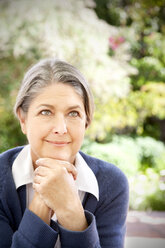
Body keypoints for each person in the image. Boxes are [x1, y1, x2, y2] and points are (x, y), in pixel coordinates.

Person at [0, 58, 129, 248]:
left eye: (73, 113)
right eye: (45, 112)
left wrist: (71, 210)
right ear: (23, 119)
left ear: (86, 121)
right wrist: (42, 202)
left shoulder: (112, 183)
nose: (61, 128)